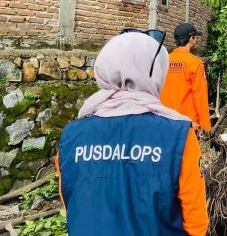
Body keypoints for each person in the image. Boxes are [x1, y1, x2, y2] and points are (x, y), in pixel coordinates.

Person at [56, 31, 209, 235]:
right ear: (155, 71)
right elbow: (196, 224)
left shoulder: (71, 136)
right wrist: (206, 126)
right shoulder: (180, 136)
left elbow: (70, 206)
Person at [160, 23, 211, 132]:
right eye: (195, 37)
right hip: (187, 124)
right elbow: (200, 95)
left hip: (164, 120)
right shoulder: (195, 63)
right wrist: (206, 126)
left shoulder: (164, 61)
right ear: (191, 38)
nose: (196, 39)